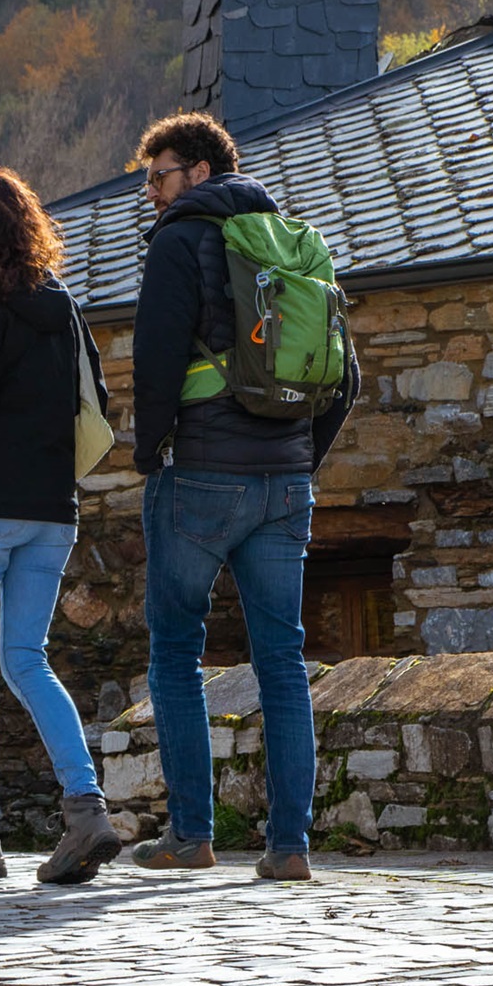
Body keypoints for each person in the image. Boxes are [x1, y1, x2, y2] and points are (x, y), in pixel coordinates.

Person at [130, 112, 359, 882]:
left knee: (174, 651)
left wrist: (148, 451)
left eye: (157, 176)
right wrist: (299, 460)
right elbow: (344, 378)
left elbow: (157, 361)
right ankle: (289, 845)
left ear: (197, 170)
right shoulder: (296, 243)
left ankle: (191, 835)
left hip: (199, 475)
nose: (152, 194)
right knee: (283, 659)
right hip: (285, 483)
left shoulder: (179, 239)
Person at [0, 167, 121, 884]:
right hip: (51, 510)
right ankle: (86, 809)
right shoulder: (62, 305)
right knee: (28, 660)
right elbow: (94, 399)